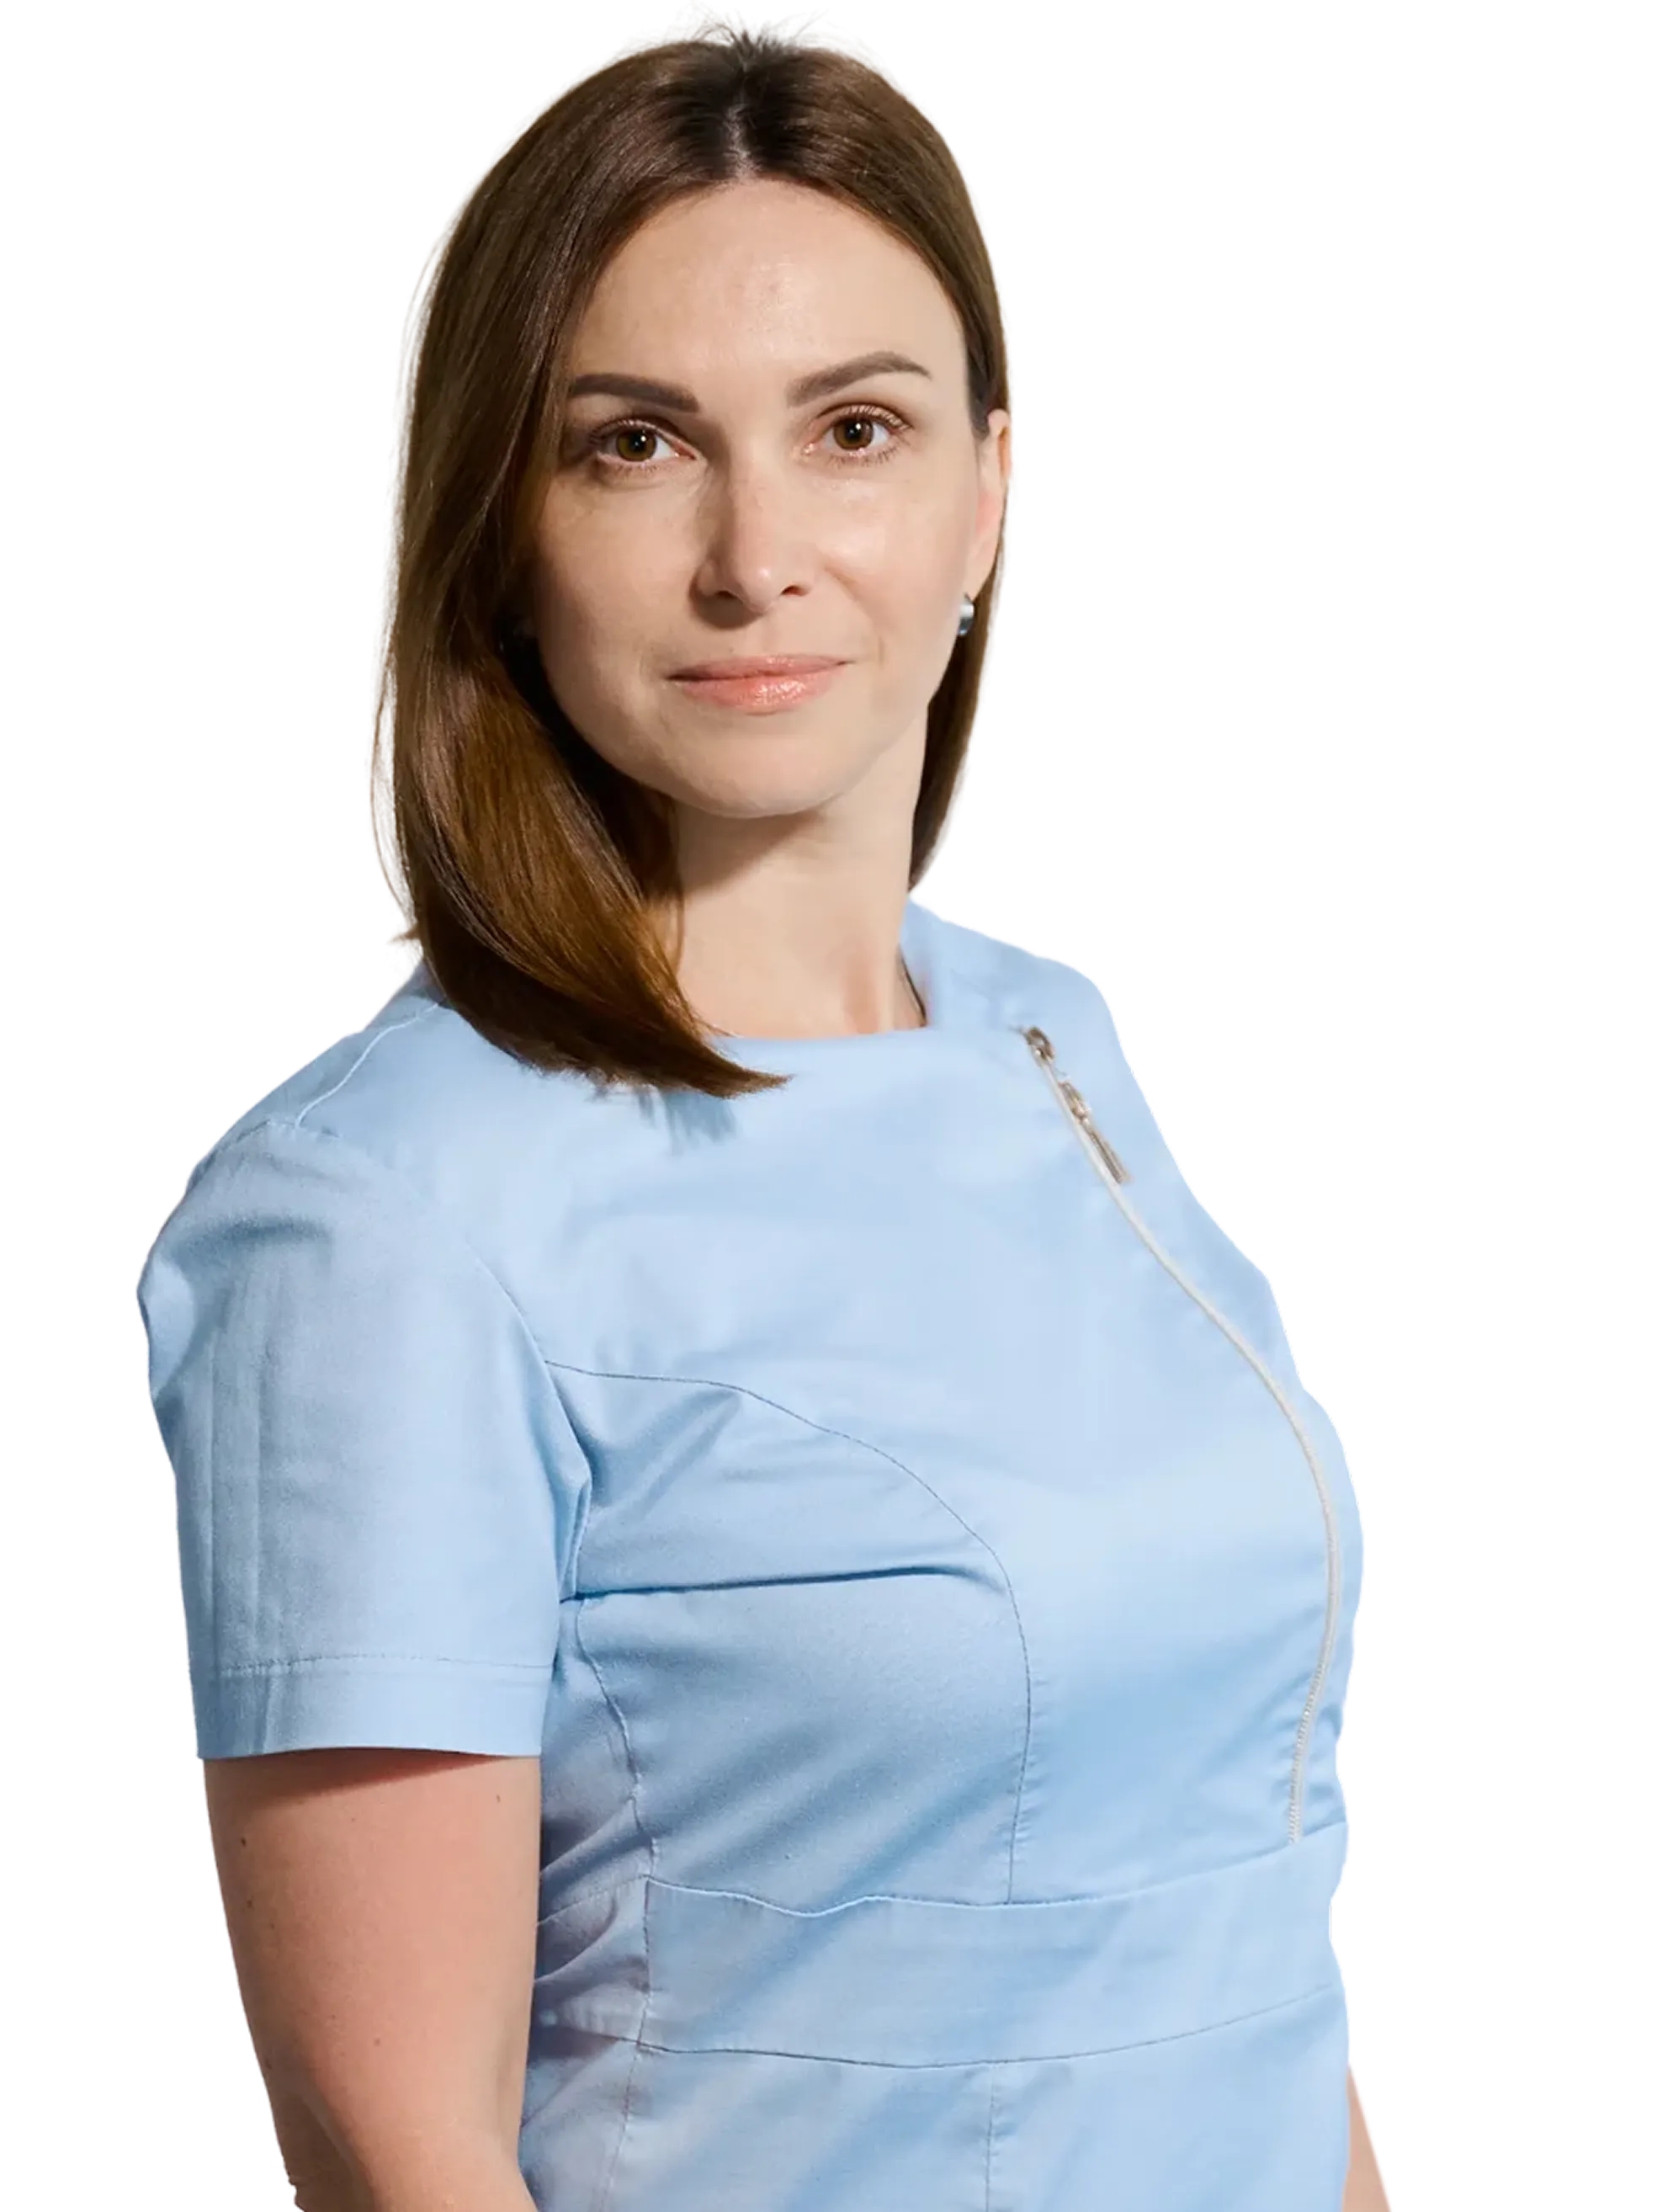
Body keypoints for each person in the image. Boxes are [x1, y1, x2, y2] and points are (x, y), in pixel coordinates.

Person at [133, 13, 1378, 2210]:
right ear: (497, 522)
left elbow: (1243, 1916)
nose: (754, 554)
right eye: (634, 443)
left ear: (995, 484)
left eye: (856, 429)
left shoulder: (1043, 1032)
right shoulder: (378, 1211)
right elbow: (395, 2149)